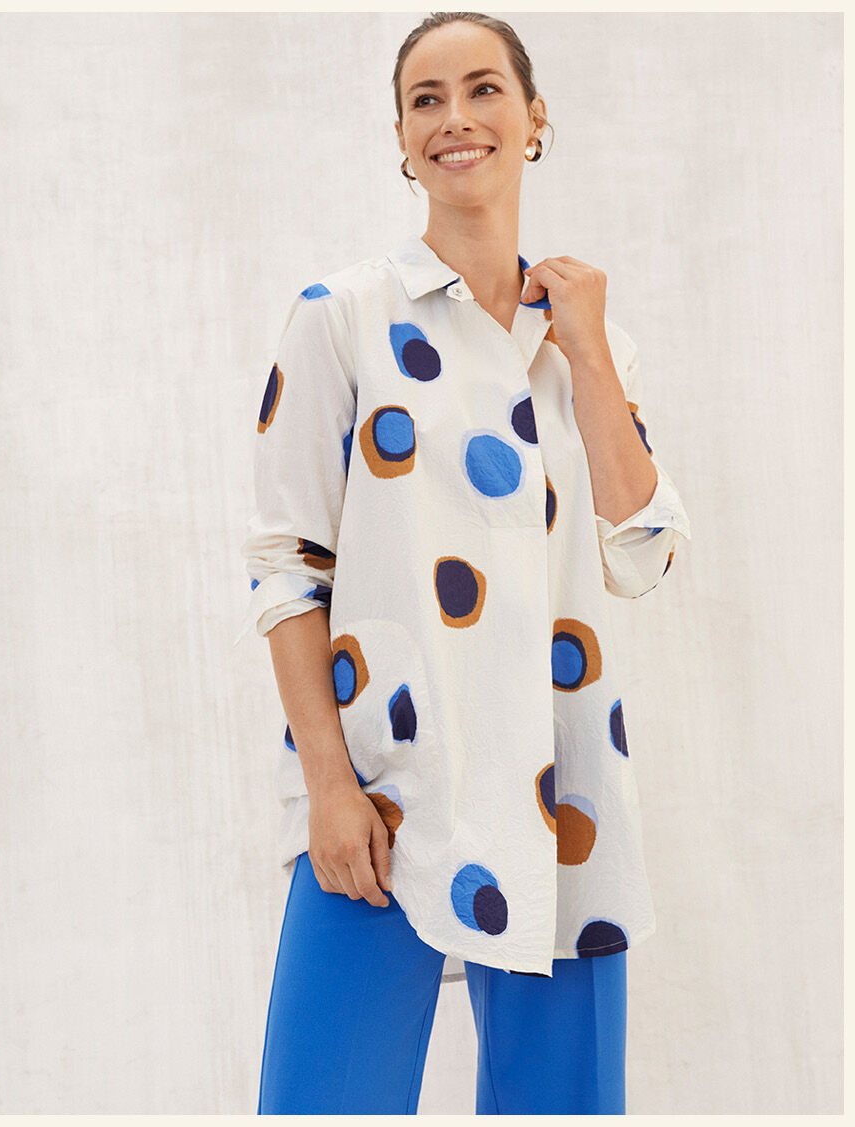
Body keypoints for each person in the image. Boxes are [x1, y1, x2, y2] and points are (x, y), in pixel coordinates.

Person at [235, 10, 692, 1115]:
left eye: (484, 89)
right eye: (425, 100)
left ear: (534, 119)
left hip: (565, 795)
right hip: (384, 793)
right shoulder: (341, 317)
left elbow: (643, 551)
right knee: (321, 1100)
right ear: (401, 139)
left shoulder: (592, 342)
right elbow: (287, 568)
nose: (456, 118)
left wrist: (587, 349)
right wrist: (329, 789)